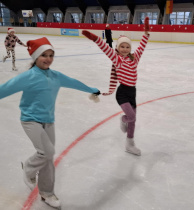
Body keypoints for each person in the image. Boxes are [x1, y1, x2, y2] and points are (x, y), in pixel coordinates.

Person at [0, 37, 100, 209]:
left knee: (48, 157)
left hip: (49, 121)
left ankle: (46, 192)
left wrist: (91, 90)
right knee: (47, 152)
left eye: (51, 55)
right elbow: (6, 88)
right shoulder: (28, 76)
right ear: (36, 57)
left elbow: (73, 82)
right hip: (30, 120)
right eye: (43, 55)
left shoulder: (56, 76)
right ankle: (29, 169)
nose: (48, 59)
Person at [82, 17, 150, 156]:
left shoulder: (134, 58)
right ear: (118, 48)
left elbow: (143, 44)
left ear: (130, 48)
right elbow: (105, 48)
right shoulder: (117, 59)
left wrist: (146, 32)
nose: (125, 49)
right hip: (122, 93)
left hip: (132, 92)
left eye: (127, 47)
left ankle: (130, 144)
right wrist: (95, 38)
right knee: (130, 117)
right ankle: (122, 119)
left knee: (133, 120)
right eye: (122, 46)